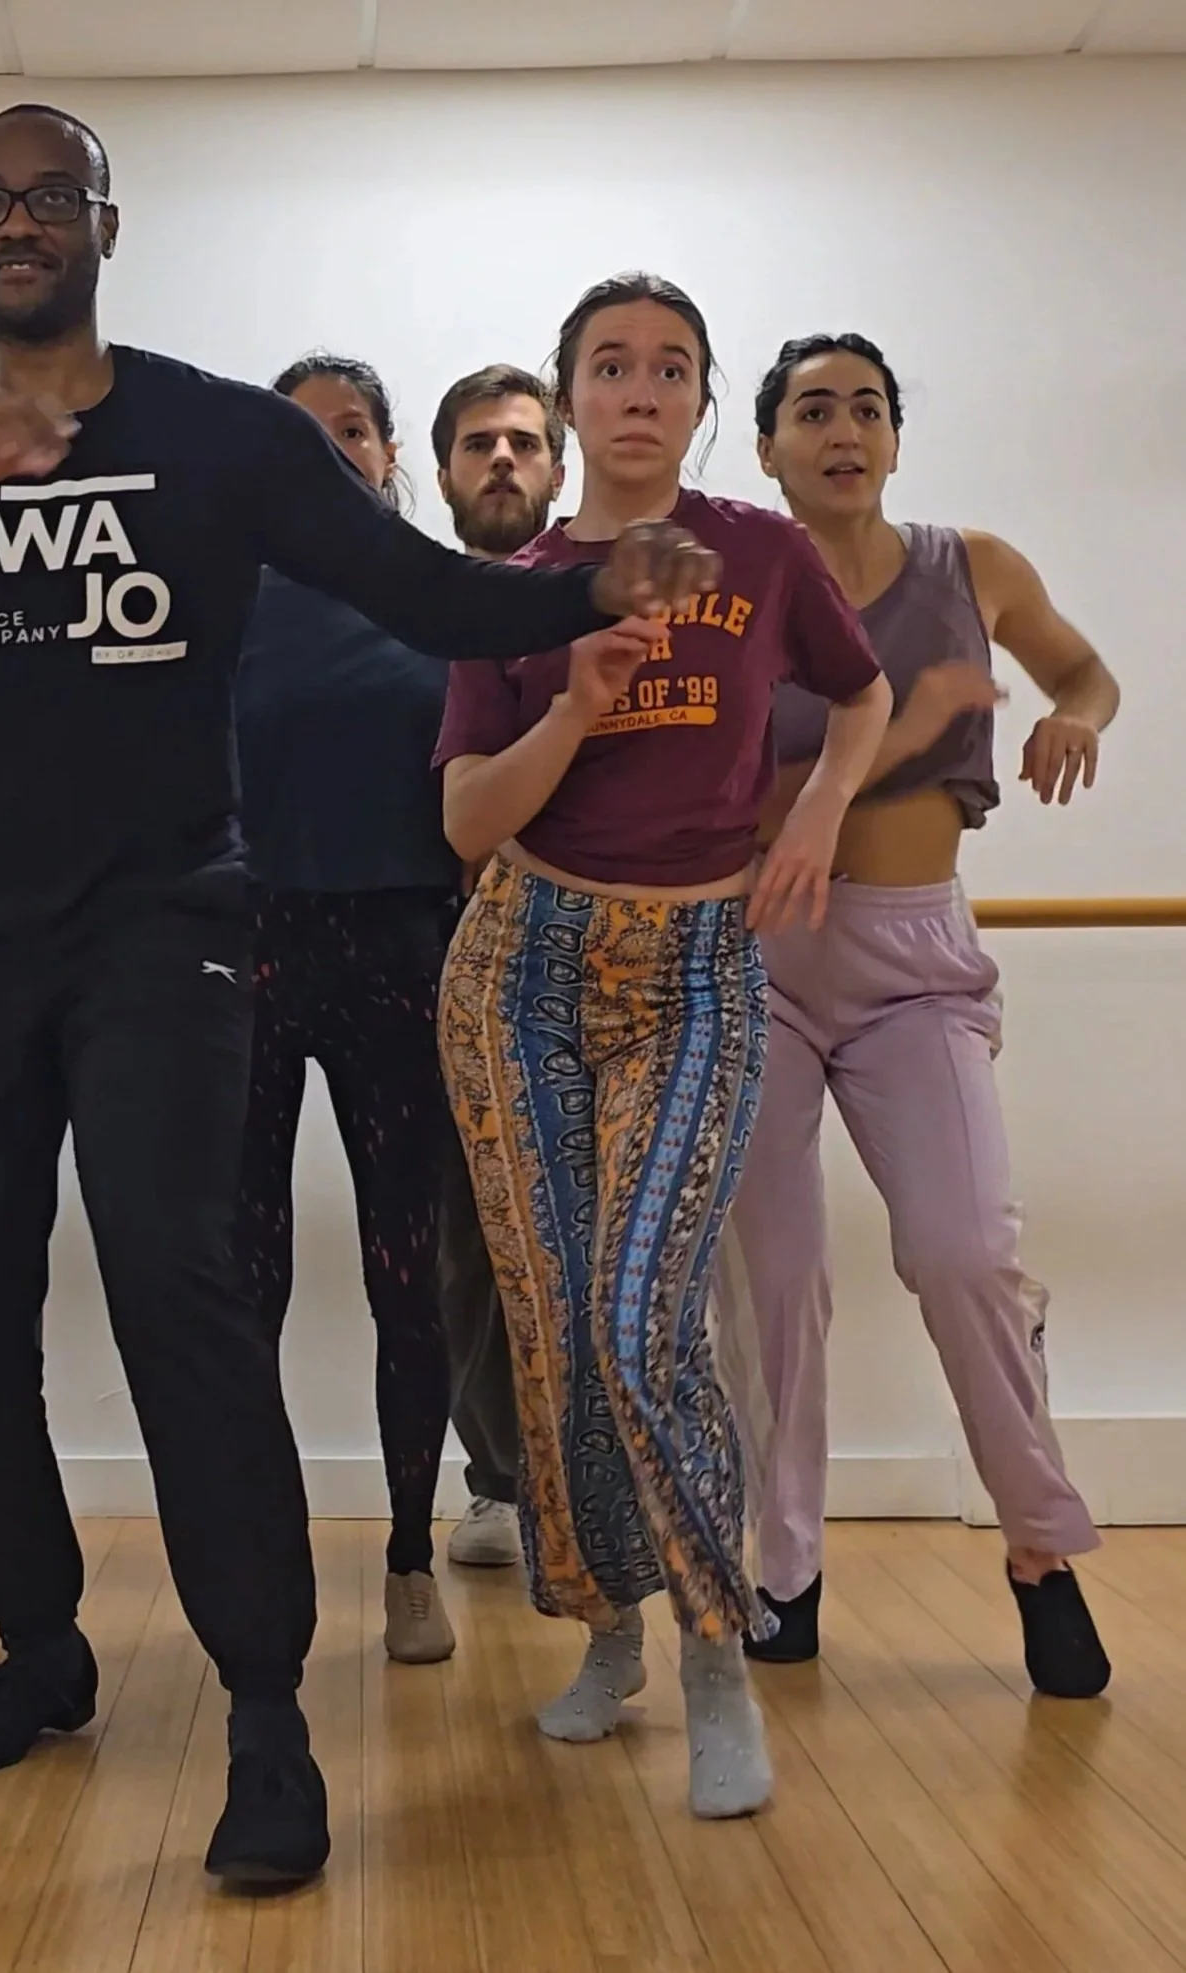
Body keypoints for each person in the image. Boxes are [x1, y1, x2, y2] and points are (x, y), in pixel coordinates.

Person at [0, 107, 712, 1886]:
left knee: (183, 1287)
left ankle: (265, 1718)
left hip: (158, 928)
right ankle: (38, 1642)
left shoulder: (221, 436)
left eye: (48, 195)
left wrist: (588, 586)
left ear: (106, 218)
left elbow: (415, 588)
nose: (16, 221)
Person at [434, 272, 891, 1820]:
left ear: (701, 406)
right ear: (569, 400)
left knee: (643, 1320)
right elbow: (465, 818)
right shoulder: (509, 584)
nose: (639, 389)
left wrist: (817, 810)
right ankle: (606, 1628)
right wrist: (569, 706)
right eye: (609, 366)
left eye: (670, 367)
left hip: (697, 972)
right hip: (522, 970)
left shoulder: (761, 556)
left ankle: (715, 1647)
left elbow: (867, 690)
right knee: (558, 1337)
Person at [729, 332, 1117, 1698]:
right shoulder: (735, 582)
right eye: (812, 410)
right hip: (758, 963)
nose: (844, 430)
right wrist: (921, 722)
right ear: (767, 446)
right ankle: (784, 1568)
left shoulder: (974, 567)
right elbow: (750, 797)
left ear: (895, 439)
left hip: (913, 966)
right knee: (776, 1283)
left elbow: (1085, 672)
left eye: (868, 409)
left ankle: (1039, 1545)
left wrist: (1073, 715)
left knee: (962, 1254)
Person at [233, 352, 460, 1667]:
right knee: (245, 1276)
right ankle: (260, 1550)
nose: (331, 451)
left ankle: (411, 1554)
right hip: (251, 950)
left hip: (400, 945)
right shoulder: (215, 599)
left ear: (389, 455)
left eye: (353, 430)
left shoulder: (436, 599)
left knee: (405, 1274)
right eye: (301, 434)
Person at [427, 363, 572, 1570]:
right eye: (479, 444)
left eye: (524, 441)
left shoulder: (603, 601)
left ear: (558, 466)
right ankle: (501, 1481)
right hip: (439, 957)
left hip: (611, 959)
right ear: (440, 475)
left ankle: (609, 1488)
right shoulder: (407, 608)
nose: (503, 461)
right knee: (468, 1236)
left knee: (608, 1244)